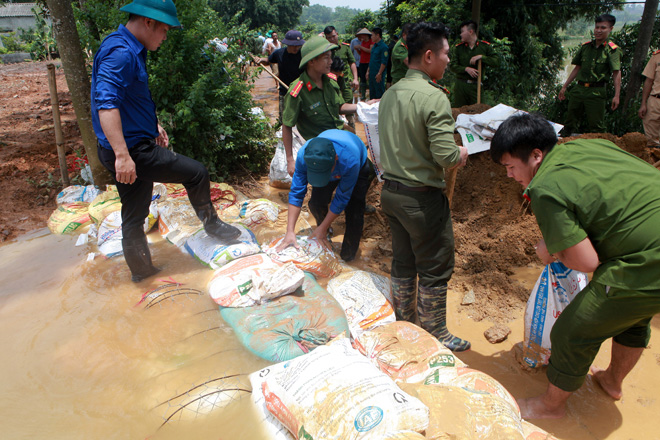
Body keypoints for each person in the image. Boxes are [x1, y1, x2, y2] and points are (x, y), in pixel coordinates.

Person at [490, 112, 660, 419]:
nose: (509, 176)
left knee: (571, 331)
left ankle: (550, 407)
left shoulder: (544, 187)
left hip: (647, 259)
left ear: (536, 155)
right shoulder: (584, 147)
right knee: (633, 315)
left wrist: (552, 250)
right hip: (650, 241)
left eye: (510, 166)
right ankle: (611, 381)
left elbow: (586, 262)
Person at [91, 0, 240, 282]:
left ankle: (143, 276)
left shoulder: (129, 46)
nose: (165, 36)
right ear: (148, 22)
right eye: (164, 29)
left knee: (134, 218)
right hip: (132, 150)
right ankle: (213, 227)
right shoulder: (121, 53)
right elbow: (107, 105)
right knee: (197, 174)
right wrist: (123, 155)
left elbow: (131, 99)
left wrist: (153, 125)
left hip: (129, 144)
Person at [378, 22, 471, 352]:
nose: (449, 60)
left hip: (391, 194)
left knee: (403, 262)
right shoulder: (434, 98)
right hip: (421, 200)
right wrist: (461, 151)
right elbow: (446, 156)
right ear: (429, 56)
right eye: (446, 53)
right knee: (434, 266)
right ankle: (435, 333)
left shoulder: (390, 93)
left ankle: (405, 324)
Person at [276, 129, 374, 261]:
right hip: (327, 164)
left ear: (335, 159)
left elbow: (341, 198)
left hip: (357, 164)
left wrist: (322, 227)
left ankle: (348, 256)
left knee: (354, 210)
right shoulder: (303, 157)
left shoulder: (350, 160)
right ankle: (323, 232)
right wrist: (290, 231)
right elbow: (296, 194)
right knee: (316, 203)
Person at [281, 36, 359, 177]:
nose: (331, 62)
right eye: (326, 58)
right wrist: (290, 159)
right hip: (320, 151)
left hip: (339, 140)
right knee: (324, 186)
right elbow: (287, 125)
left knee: (363, 169)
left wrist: (363, 107)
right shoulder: (298, 91)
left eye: (331, 57)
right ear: (312, 61)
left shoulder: (331, 82)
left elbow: (340, 107)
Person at [559, 14, 621, 134]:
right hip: (579, 89)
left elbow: (616, 73)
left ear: (611, 29)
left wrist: (616, 95)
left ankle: (598, 149)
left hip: (596, 92)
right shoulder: (586, 47)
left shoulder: (612, 50)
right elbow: (577, 68)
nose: (598, 31)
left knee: (596, 126)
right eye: (597, 27)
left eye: (603, 28)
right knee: (569, 123)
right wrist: (564, 86)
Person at [449, 19, 497, 108]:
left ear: (470, 32)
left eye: (462, 32)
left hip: (476, 86)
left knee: (479, 112)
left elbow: (496, 61)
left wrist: (482, 57)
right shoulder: (459, 48)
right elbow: (452, 66)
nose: (461, 34)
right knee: (459, 114)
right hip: (461, 86)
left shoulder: (484, 47)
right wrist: (466, 69)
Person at [264, 30, 305, 119]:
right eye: (293, 45)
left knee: (303, 119)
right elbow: (268, 60)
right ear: (287, 44)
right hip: (285, 92)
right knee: (284, 119)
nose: (296, 48)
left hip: (301, 92)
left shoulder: (303, 54)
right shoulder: (279, 53)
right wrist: (260, 59)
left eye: (298, 45)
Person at [324, 25, 358, 126]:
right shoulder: (324, 50)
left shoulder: (345, 48)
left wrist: (356, 78)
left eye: (333, 36)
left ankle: (352, 128)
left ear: (337, 34)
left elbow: (352, 63)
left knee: (348, 104)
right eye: (329, 37)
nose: (332, 39)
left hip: (345, 81)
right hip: (330, 82)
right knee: (332, 104)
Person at [638, 48, 660, 148]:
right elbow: (649, 81)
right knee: (651, 141)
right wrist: (643, 103)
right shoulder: (656, 57)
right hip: (655, 101)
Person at [368, 27, 389, 99]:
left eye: (372, 35)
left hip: (378, 75)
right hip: (372, 74)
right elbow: (371, 59)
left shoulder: (383, 47)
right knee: (372, 94)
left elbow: (384, 62)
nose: (371, 37)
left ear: (377, 35)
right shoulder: (374, 46)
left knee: (379, 94)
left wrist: (379, 73)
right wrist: (368, 71)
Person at [354, 28, 373, 100]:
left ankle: (371, 94)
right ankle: (363, 94)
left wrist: (360, 47)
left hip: (368, 62)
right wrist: (357, 49)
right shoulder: (363, 42)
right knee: (362, 79)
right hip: (362, 62)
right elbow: (361, 53)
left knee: (369, 78)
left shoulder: (371, 42)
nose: (361, 37)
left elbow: (370, 51)